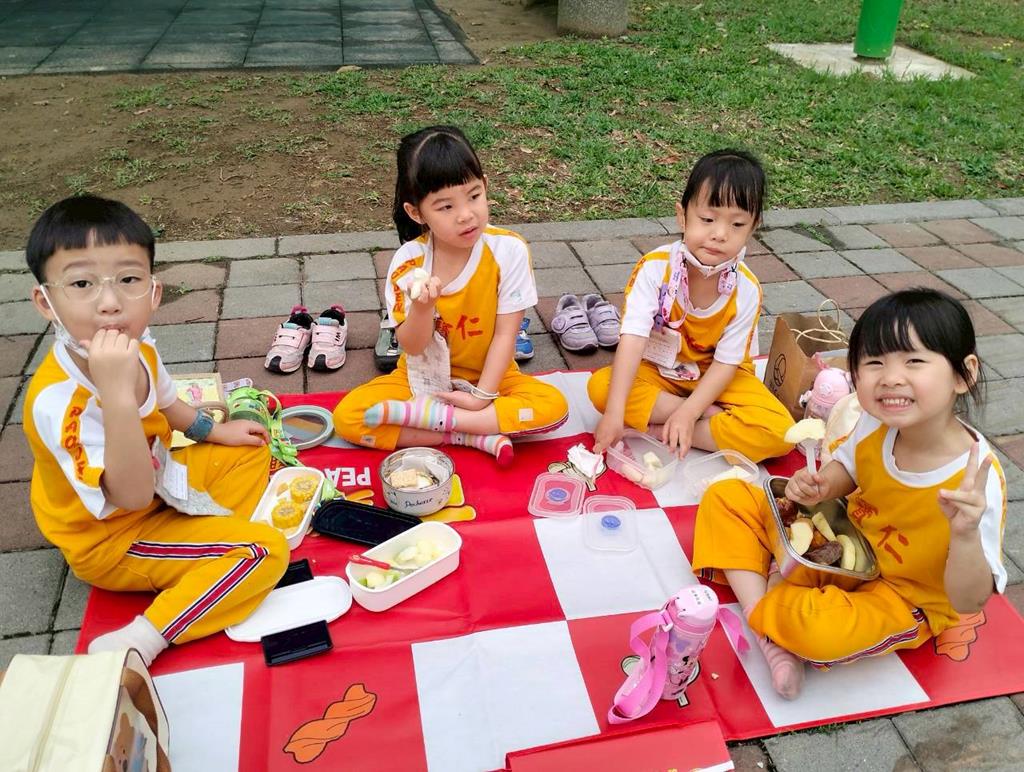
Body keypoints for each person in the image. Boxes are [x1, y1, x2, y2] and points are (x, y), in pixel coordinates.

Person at [692, 289, 1007, 700]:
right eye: (874, 362)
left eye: (914, 361)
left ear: (963, 375)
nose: (890, 377)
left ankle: (772, 600)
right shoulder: (876, 421)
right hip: (843, 543)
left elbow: (969, 600)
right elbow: (849, 467)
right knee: (726, 497)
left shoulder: (977, 479)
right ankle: (773, 625)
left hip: (900, 595)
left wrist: (965, 535)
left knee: (815, 628)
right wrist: (824, 484)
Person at [22, 195, 289, 665]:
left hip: (162, 485)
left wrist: (213, 432)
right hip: (110, 537)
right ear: (47, 302)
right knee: (263, 551)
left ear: (154, 292)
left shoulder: (138, 346)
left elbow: (168, 404)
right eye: (81, 283)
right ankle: (144, 637)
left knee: (248, 449)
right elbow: (130, 496)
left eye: (128, 280)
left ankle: (211, 549)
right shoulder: (59, 403)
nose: (110, 303)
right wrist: (116, 394)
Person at [333, 126, 568, 465]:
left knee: (553, 407)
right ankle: (468, 434)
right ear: (416, 213)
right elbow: (412, 347)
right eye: (445, 206)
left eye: (474, 196)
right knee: (350, 417)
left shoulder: (508, 250)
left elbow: (506, 335)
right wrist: (422, 308)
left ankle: (440, 422)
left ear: (485, 185)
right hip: (420, 378)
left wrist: (482, 396)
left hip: (493, 378)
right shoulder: (409, 263)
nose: (466, 215)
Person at [589, 149, 793, 462]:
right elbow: (633, 339)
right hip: (660, 369)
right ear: (682, 216)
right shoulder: (655, 268)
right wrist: (615, 414)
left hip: (718, 377)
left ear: (753, 227)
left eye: (737, 224)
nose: (720, 234)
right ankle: (712, 420)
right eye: (707, 219)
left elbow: (726, 364)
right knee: (601, 388)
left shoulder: (747, 288)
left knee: (781, 433)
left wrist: (689, 412)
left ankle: (665, 428)